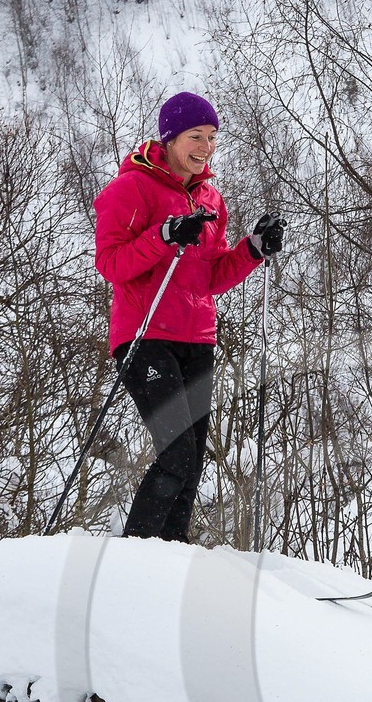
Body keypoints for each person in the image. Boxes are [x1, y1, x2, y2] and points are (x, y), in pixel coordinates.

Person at [93, 91, 283, 541]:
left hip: (197, 338)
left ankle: (170, 553)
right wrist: (163, 235)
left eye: (213, 137)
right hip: (144, 334)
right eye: (196, 136)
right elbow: (111, 264)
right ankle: (136, 551)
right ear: (170, 139)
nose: (206, 146)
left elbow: (210, 278)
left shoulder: (211, 201)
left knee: (193, 457)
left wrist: (252, 249)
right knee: (175, 450)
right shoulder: (130, 189)